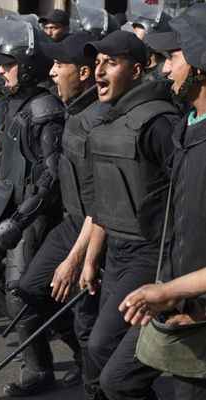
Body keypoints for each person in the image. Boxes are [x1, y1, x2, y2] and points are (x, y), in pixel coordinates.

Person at [0, 16, 82, 396]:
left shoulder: (45, 109)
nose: (1, 70)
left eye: (8, 64)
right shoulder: (9, 104)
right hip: (3, 202)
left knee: (23, 292)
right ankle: (32, 328)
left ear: (29, 66)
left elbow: (50, 178)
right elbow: (0, 156)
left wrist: (19, 218)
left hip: (30, 213)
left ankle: (43, 364)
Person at [78, 30, 180, 399]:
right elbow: (106, 202)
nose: (99, 71)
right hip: (117, 251)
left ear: (137, 70)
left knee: (106, 351)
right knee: (98, 348)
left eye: (111, 63)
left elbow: (185, 192)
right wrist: (91, 258)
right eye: (97, 63)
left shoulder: (157, 122)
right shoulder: (109, 121)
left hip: (149, 253)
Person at [14, 31, 109, 398]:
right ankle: (74, 365)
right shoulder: (73, 111)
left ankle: (96, 385)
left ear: (84, 73)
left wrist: (76, 259)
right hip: (71, 222)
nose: (52, 72)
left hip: (94, 230)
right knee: (28, 290)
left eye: (59, 65)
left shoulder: (96, 122)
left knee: (89, 323)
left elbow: (100, 202)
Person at [119, 4, 206, 398]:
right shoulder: (188, 126)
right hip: (180, 307)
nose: (165, 69)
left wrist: (172, 291)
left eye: (173, 56)